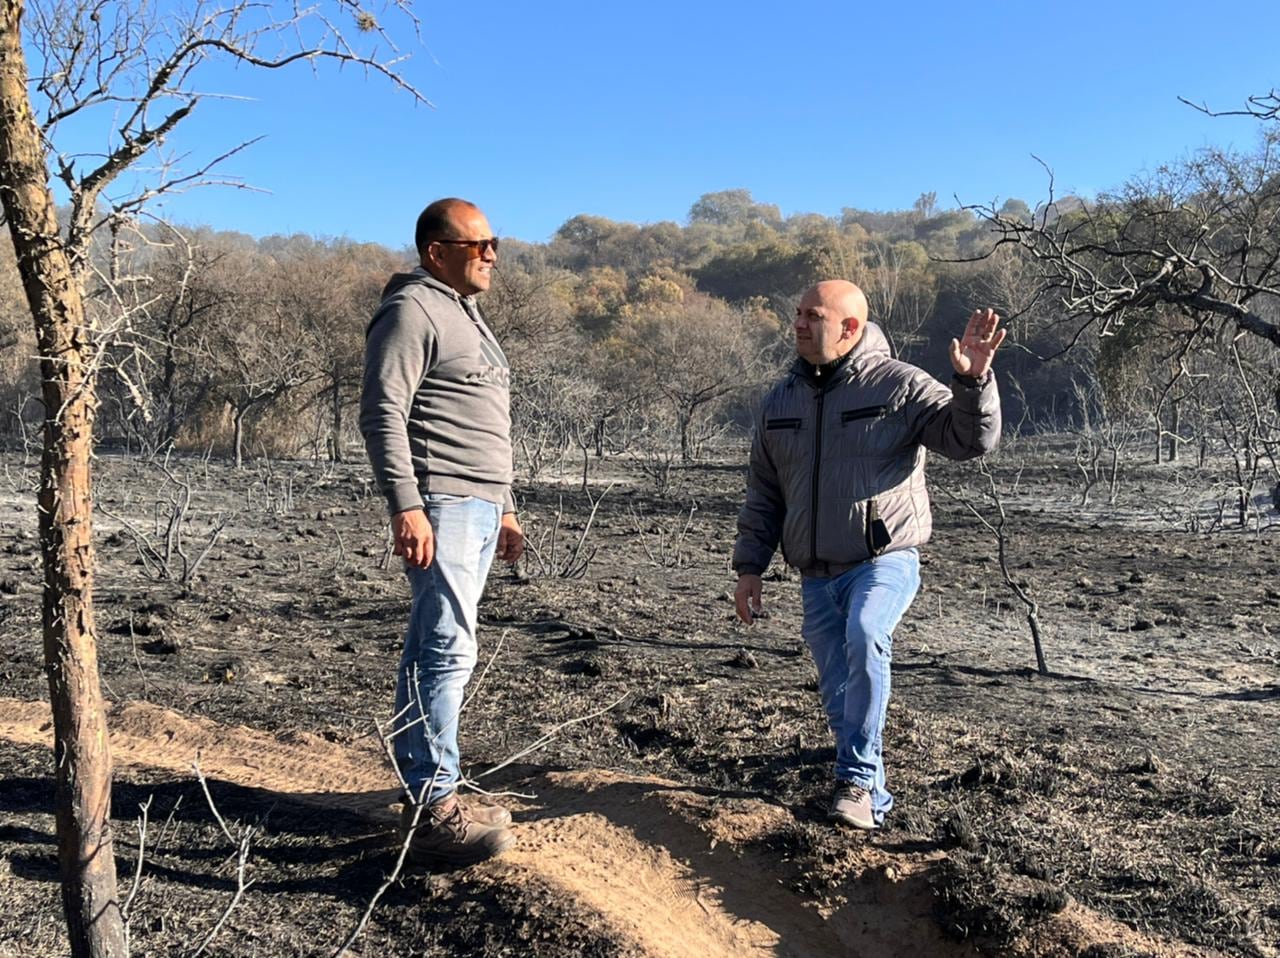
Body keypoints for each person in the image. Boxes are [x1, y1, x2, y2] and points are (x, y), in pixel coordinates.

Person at [732, 280, 1004, 830]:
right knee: (838, 692)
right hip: (813, 570)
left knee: (865, 632)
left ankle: (854, 782)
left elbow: (968, 440)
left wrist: (973, 382)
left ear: (850, 327)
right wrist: (749, 567)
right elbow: (764, 491)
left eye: (813, 315)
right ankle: (871, 797)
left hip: (884, 558)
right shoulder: (780, 400)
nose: (799, 324)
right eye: (797, 313)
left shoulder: (898, 384)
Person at [360, 198, 524, 865]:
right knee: (448, 650)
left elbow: (481, 420)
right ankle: (435, 808)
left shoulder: (465, 313)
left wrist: (506, 505)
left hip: (478, 504)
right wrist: (407, 504)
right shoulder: (411, 311)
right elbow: (382, 413)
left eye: (494, 243)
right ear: (436, 252)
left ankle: (421, 790)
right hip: (441, 501)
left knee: (432, 645)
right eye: (478, 243)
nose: (491, 253)